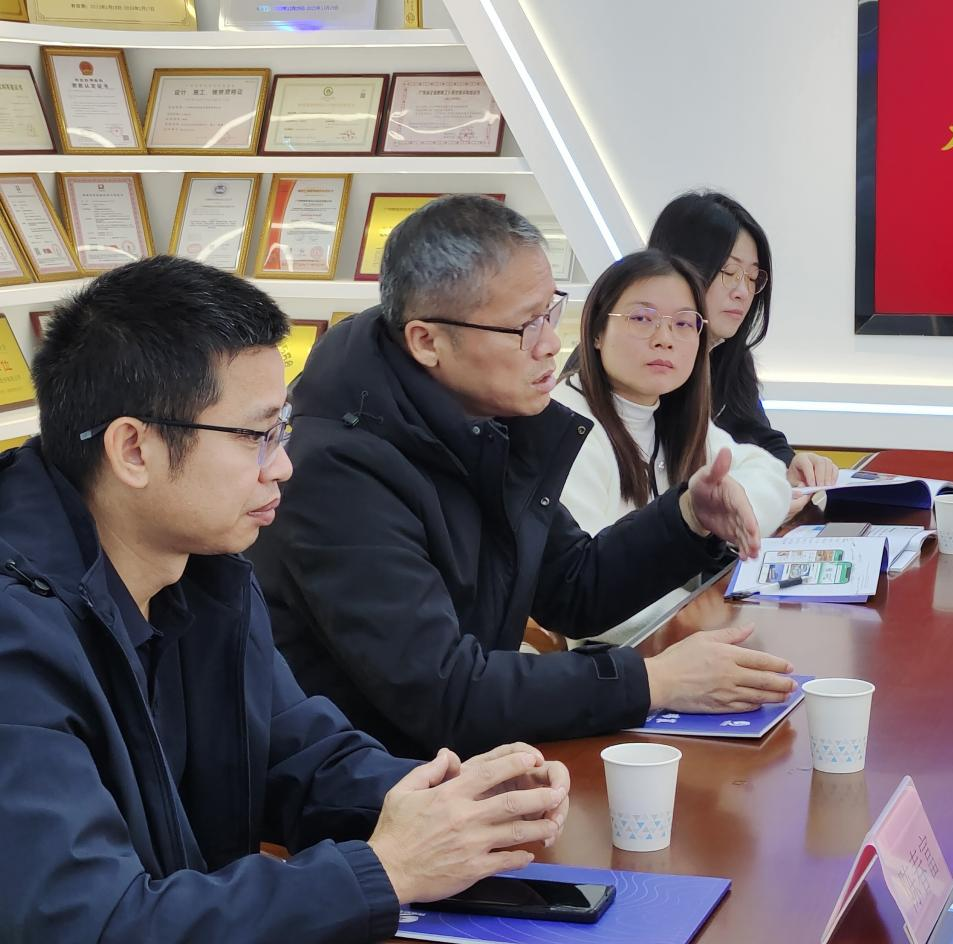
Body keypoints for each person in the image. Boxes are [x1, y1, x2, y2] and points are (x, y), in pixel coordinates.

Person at [0, 256, 569, 943]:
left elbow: (302, 760)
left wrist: (454, 801)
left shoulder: (207, 575)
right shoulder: (16, 637)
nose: (283, 465)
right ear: (134, 450)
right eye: (256, 436)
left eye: (283, 431)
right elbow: (92, 923)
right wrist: (385, 870)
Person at [248, 194, 796, 759]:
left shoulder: (483, 417)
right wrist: (654, 681)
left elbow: (574, 587)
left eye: (550, 314)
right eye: (524, 326)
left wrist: (685, 518)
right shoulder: (336, 470)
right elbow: (444, 693)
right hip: (371, 785)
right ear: (427, 341)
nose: (550, 344)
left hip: (459, 769)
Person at [552, 249, 791, 645]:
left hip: (685, 636)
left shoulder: (669, 411)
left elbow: (768, 473)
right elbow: (581, 593)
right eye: (642, 319)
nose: (664, 339)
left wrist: (730, 511)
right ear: (596, 331)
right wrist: (706, 617)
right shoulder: (567, 426)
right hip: (613, 657)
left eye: (683, 323)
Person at [648, 190, 841, 494]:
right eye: (729, 272)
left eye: (752, 278)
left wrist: (791, 465)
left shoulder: (728, 355)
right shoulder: (641, 359)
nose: (742, 292)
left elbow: (755, 436)